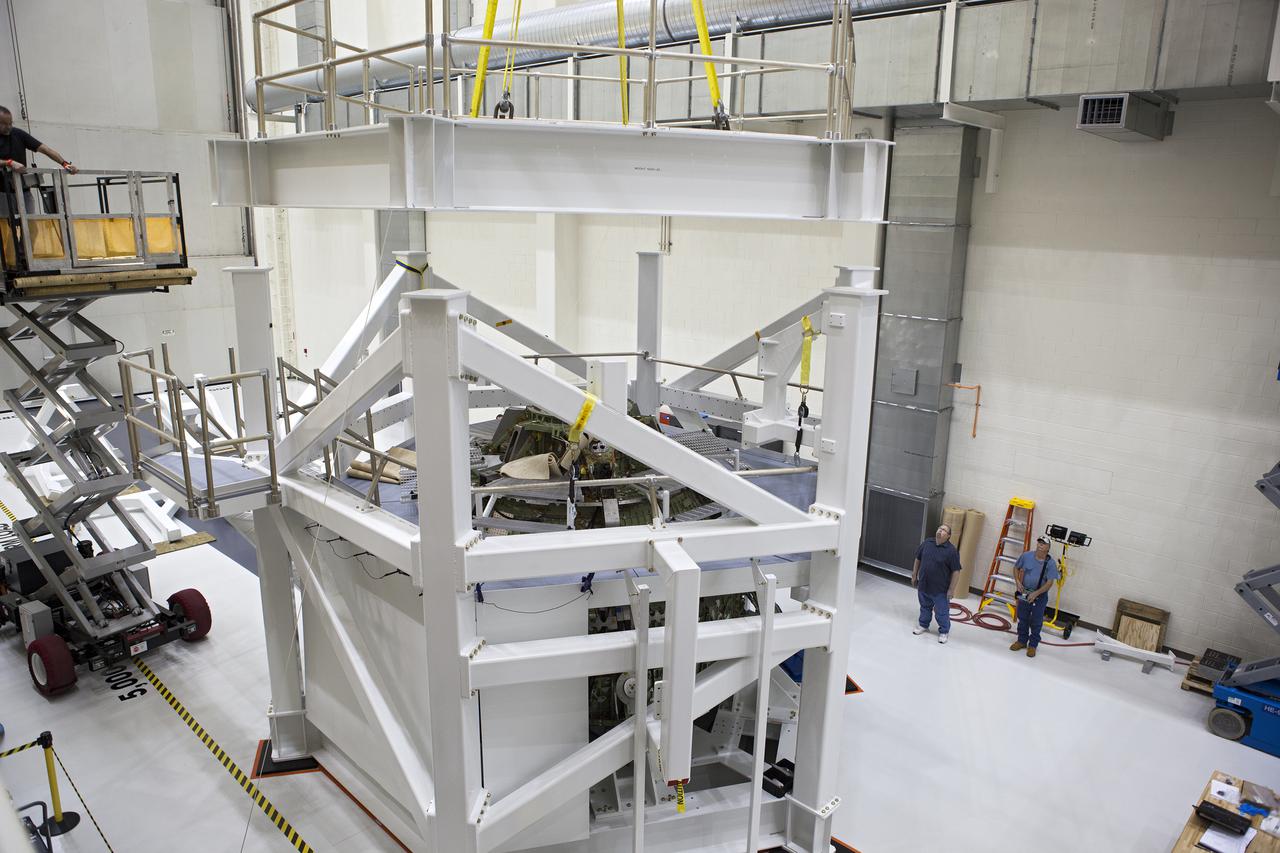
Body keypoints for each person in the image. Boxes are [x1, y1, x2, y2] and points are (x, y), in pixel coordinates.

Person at [0, 106, 77, 214]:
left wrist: (65, 164)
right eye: (4, 124)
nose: (8, 127)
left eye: (10, 123)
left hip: (23, 191)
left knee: (31, 226)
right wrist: (9, 162)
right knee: (6, 228)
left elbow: (45, 149)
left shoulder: (18, 134)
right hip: (2, 192)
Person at [1009, 535, 1060, 658]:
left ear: (1048, 548)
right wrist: (1018, 582)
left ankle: (1032, 645)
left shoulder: (1051, 563)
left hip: (1039, 596)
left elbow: (1049, 583)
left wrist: (1036, 593)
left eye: (1043, 543)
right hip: (1025, 593)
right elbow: (1016, 568)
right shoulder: (1026, 556)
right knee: (1023, 617)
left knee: (1036, 621)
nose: (1040, 544)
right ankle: (1021, 641)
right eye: (1039, 542)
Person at [911, 523, 962, 644]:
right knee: (925, 607)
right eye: (939, 528)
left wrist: (951, 589)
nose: (940, 530)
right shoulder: (927, 543)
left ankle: (944, 631)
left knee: (941, 611)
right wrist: (914, 575)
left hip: (940, 590)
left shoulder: (951, 551)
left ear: (948, 536)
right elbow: (918, 559)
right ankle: (923, 624)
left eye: (944, 530)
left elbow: (956, 571)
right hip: (924, 585)